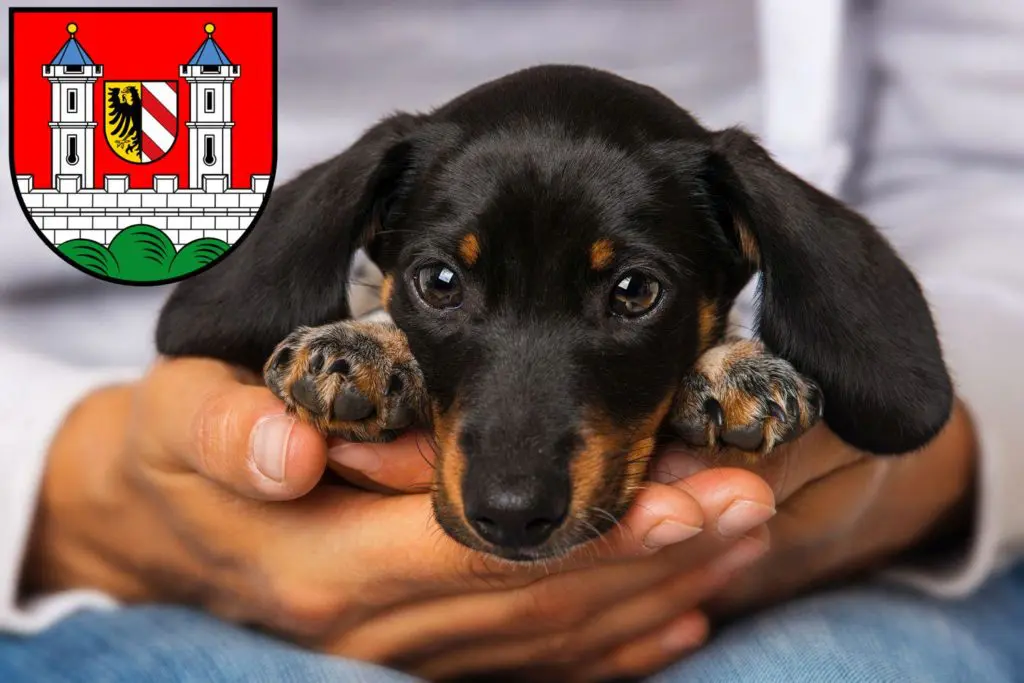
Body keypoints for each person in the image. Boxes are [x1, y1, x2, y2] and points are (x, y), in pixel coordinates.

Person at [2, 1, 1023, 681]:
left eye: (631, 292)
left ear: (737, 263)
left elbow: (996, 162)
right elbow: (202, 328)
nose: (511, 495)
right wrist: (60, 483)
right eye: (441, 284)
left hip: (807, 562)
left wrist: (910, 484)